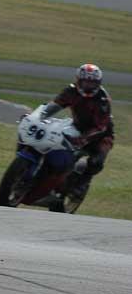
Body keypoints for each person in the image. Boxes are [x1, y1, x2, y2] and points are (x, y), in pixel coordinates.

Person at [39, 63, 114, 199]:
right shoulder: (71, 91)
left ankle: (82, 183)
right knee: (55, 142)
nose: (88, 86)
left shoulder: (102, 100)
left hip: (102, 135)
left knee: (97, 160)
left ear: (98, 83)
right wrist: (40, 116)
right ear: (78, 80)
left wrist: (83, 139)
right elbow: (56, 105)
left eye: (91, 83)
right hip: (77, 126)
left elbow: (101, 127)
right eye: (85, 82)